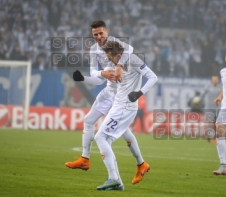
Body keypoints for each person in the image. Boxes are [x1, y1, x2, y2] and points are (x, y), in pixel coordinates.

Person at [65, 21, 143, 184]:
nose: (99, 37)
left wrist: (119, 66)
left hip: (121, 95)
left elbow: (130, 50)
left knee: (123, 132)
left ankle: (140, 163)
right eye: (95, 35)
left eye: (101, 33)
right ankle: (85, 159)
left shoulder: (117, 43)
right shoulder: (94, 50)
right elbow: (96, 76)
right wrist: (91, 76)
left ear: (107, 31)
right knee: (88, 120)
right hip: (108, 92)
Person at [95, 41, 158, 190]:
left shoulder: (134, 60)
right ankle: (141, 165)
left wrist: (139, 93)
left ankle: (113, 178)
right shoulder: (114, 65)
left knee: (101, 137)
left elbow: (153, 77)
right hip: (118, 105)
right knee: (125, 133)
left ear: (118, 55)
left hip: (125, 107)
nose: (109, 59)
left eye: (110, 56)